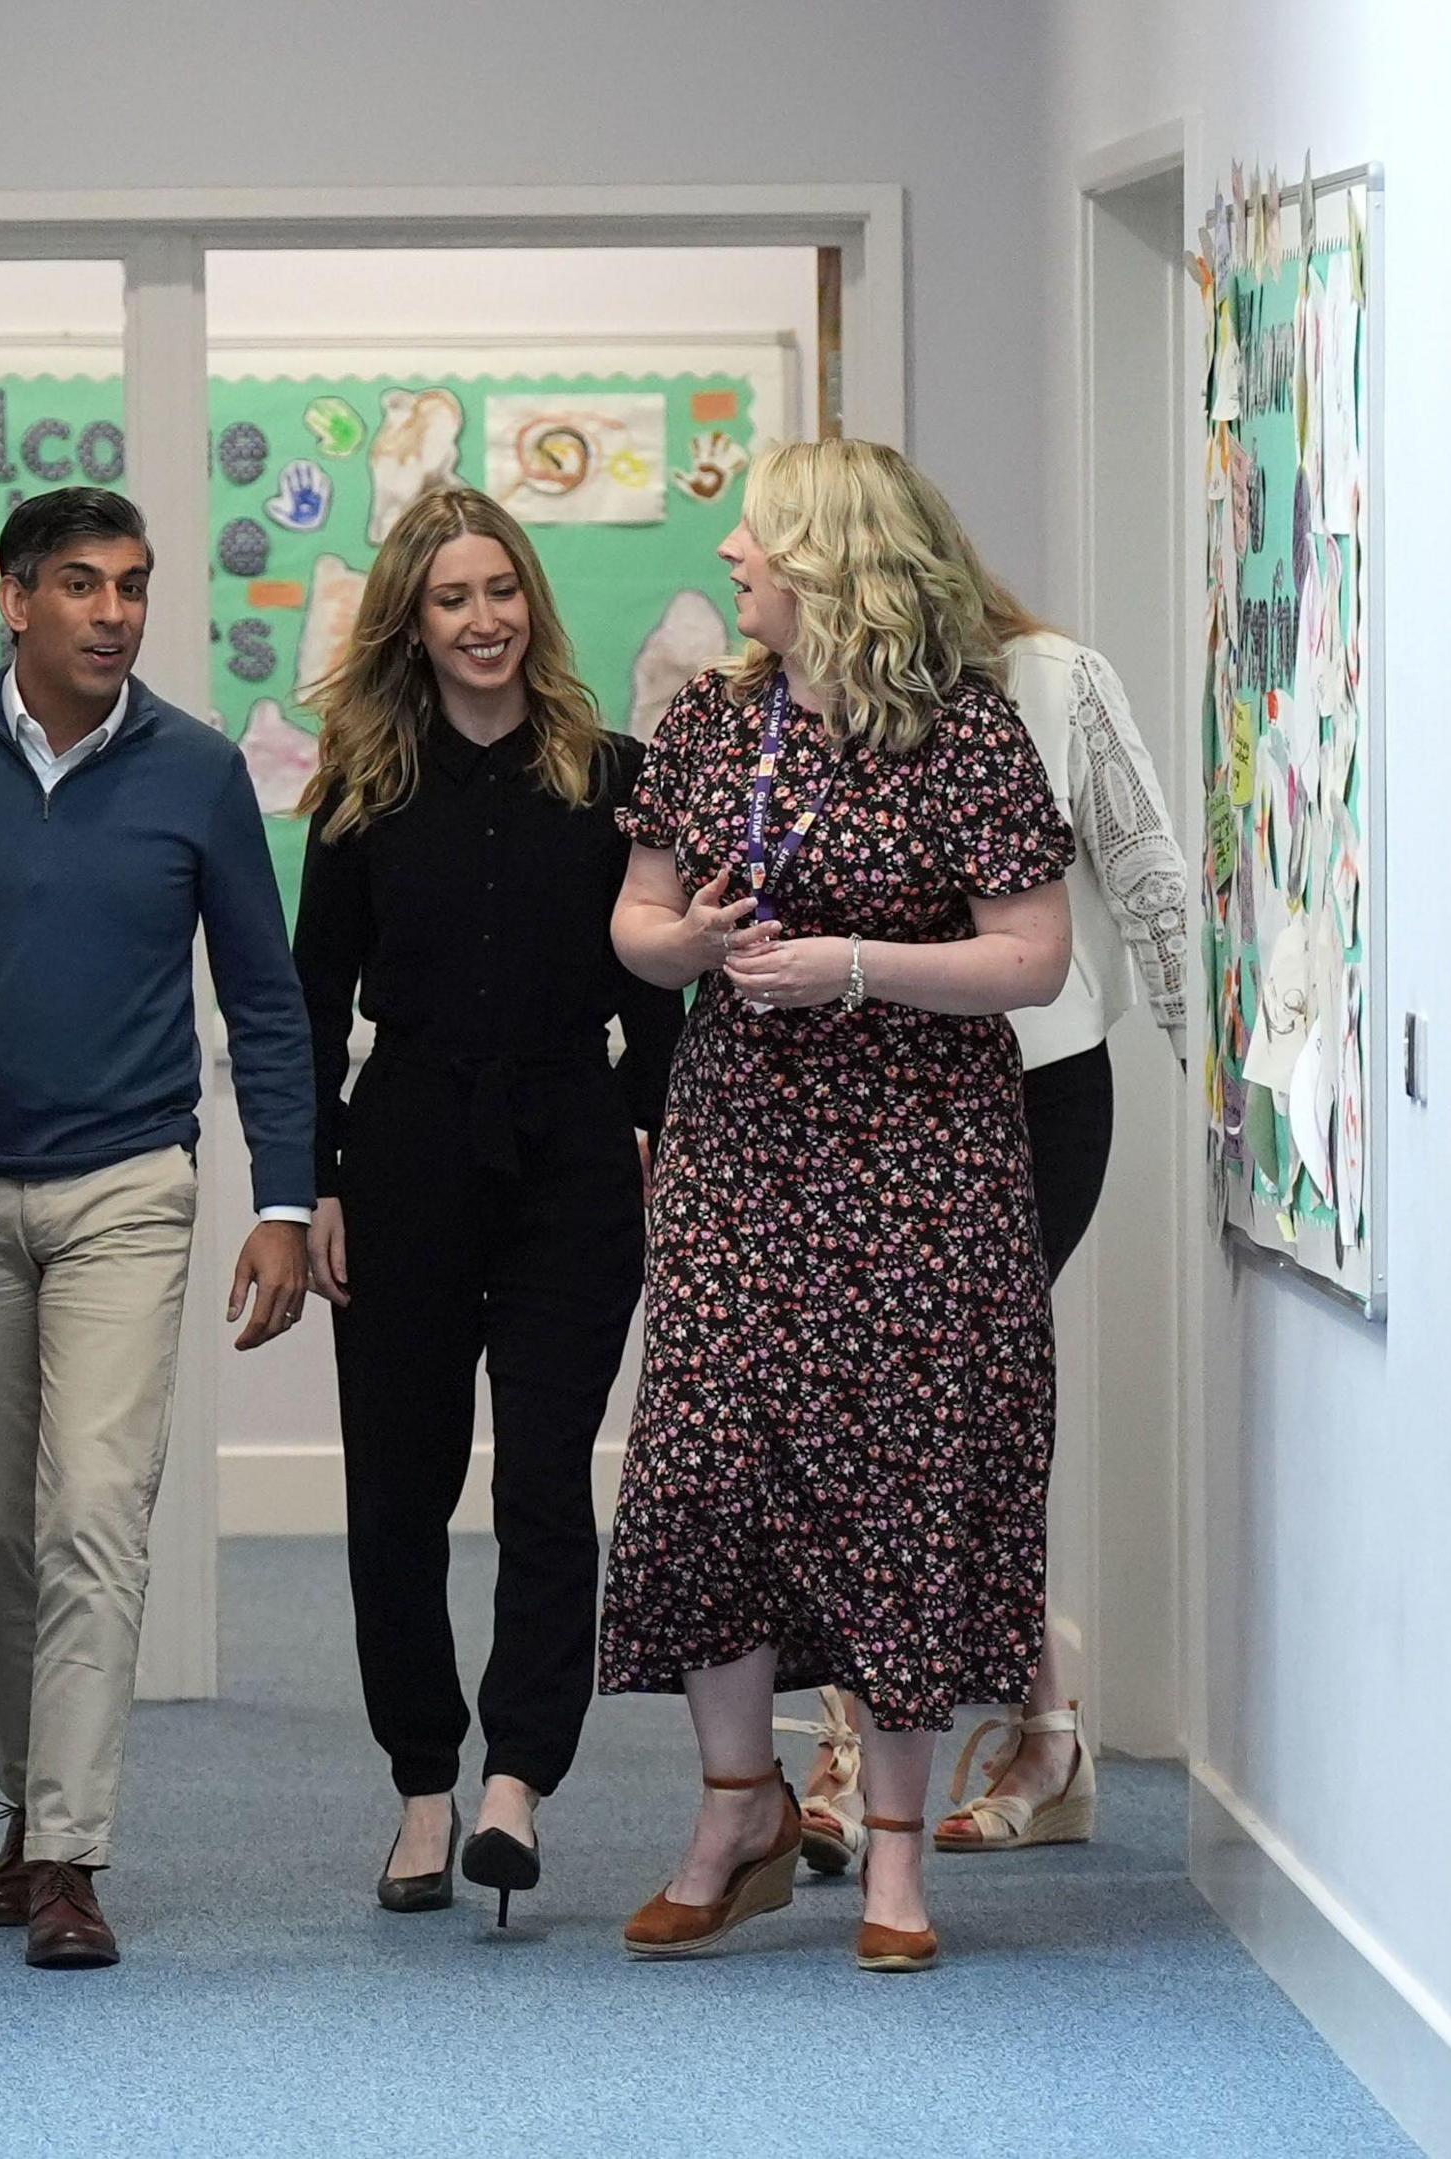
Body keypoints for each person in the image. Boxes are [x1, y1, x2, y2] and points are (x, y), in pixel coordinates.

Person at [0, 485, 318, 1971]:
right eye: (85, 587)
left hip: (125, 1189)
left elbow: (268, 998)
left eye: (135, 588)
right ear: (16, 598)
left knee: (96, 1508)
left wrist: (281, 1197)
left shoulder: (199, 770)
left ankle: (69, 1858)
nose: (115, 613)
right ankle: (33, 1814)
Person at [597, 437, 1077, 1973]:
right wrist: (689, 945)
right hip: (742, 1151)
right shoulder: (712, 725)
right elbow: (636, 924)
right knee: (705, 1472)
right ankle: (736, 1814)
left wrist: (853, 965)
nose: (732, 555)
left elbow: (1033, 960)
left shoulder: (971, 739)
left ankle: (893, 1867)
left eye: (760, 537)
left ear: (836, 565)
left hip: (922, 1164)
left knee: (904, 1489)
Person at [789, 455, 1194, 1869]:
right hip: (857, 1108)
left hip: (1031, 1096)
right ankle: (975, 1730)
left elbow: (1148, 876)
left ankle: (962, 1734)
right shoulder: (791, 700)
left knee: (934, 1421)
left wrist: (1222, 1109)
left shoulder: (1049, 681)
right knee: (851, 1424)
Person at [289, 486, 680, 1926]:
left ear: (533, 602)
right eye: (452, 598)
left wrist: (648, 1127)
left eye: (502, 590)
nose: (483, 621)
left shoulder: (614, 773)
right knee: (400, 1488)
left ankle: (519, 1778)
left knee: (543, 1479)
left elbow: (663, 988)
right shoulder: (358, 790)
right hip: (402, 1156)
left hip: (574, 1152)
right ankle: (422, 1785)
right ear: (411, 617)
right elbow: (311, 1001)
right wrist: (312, 1180)